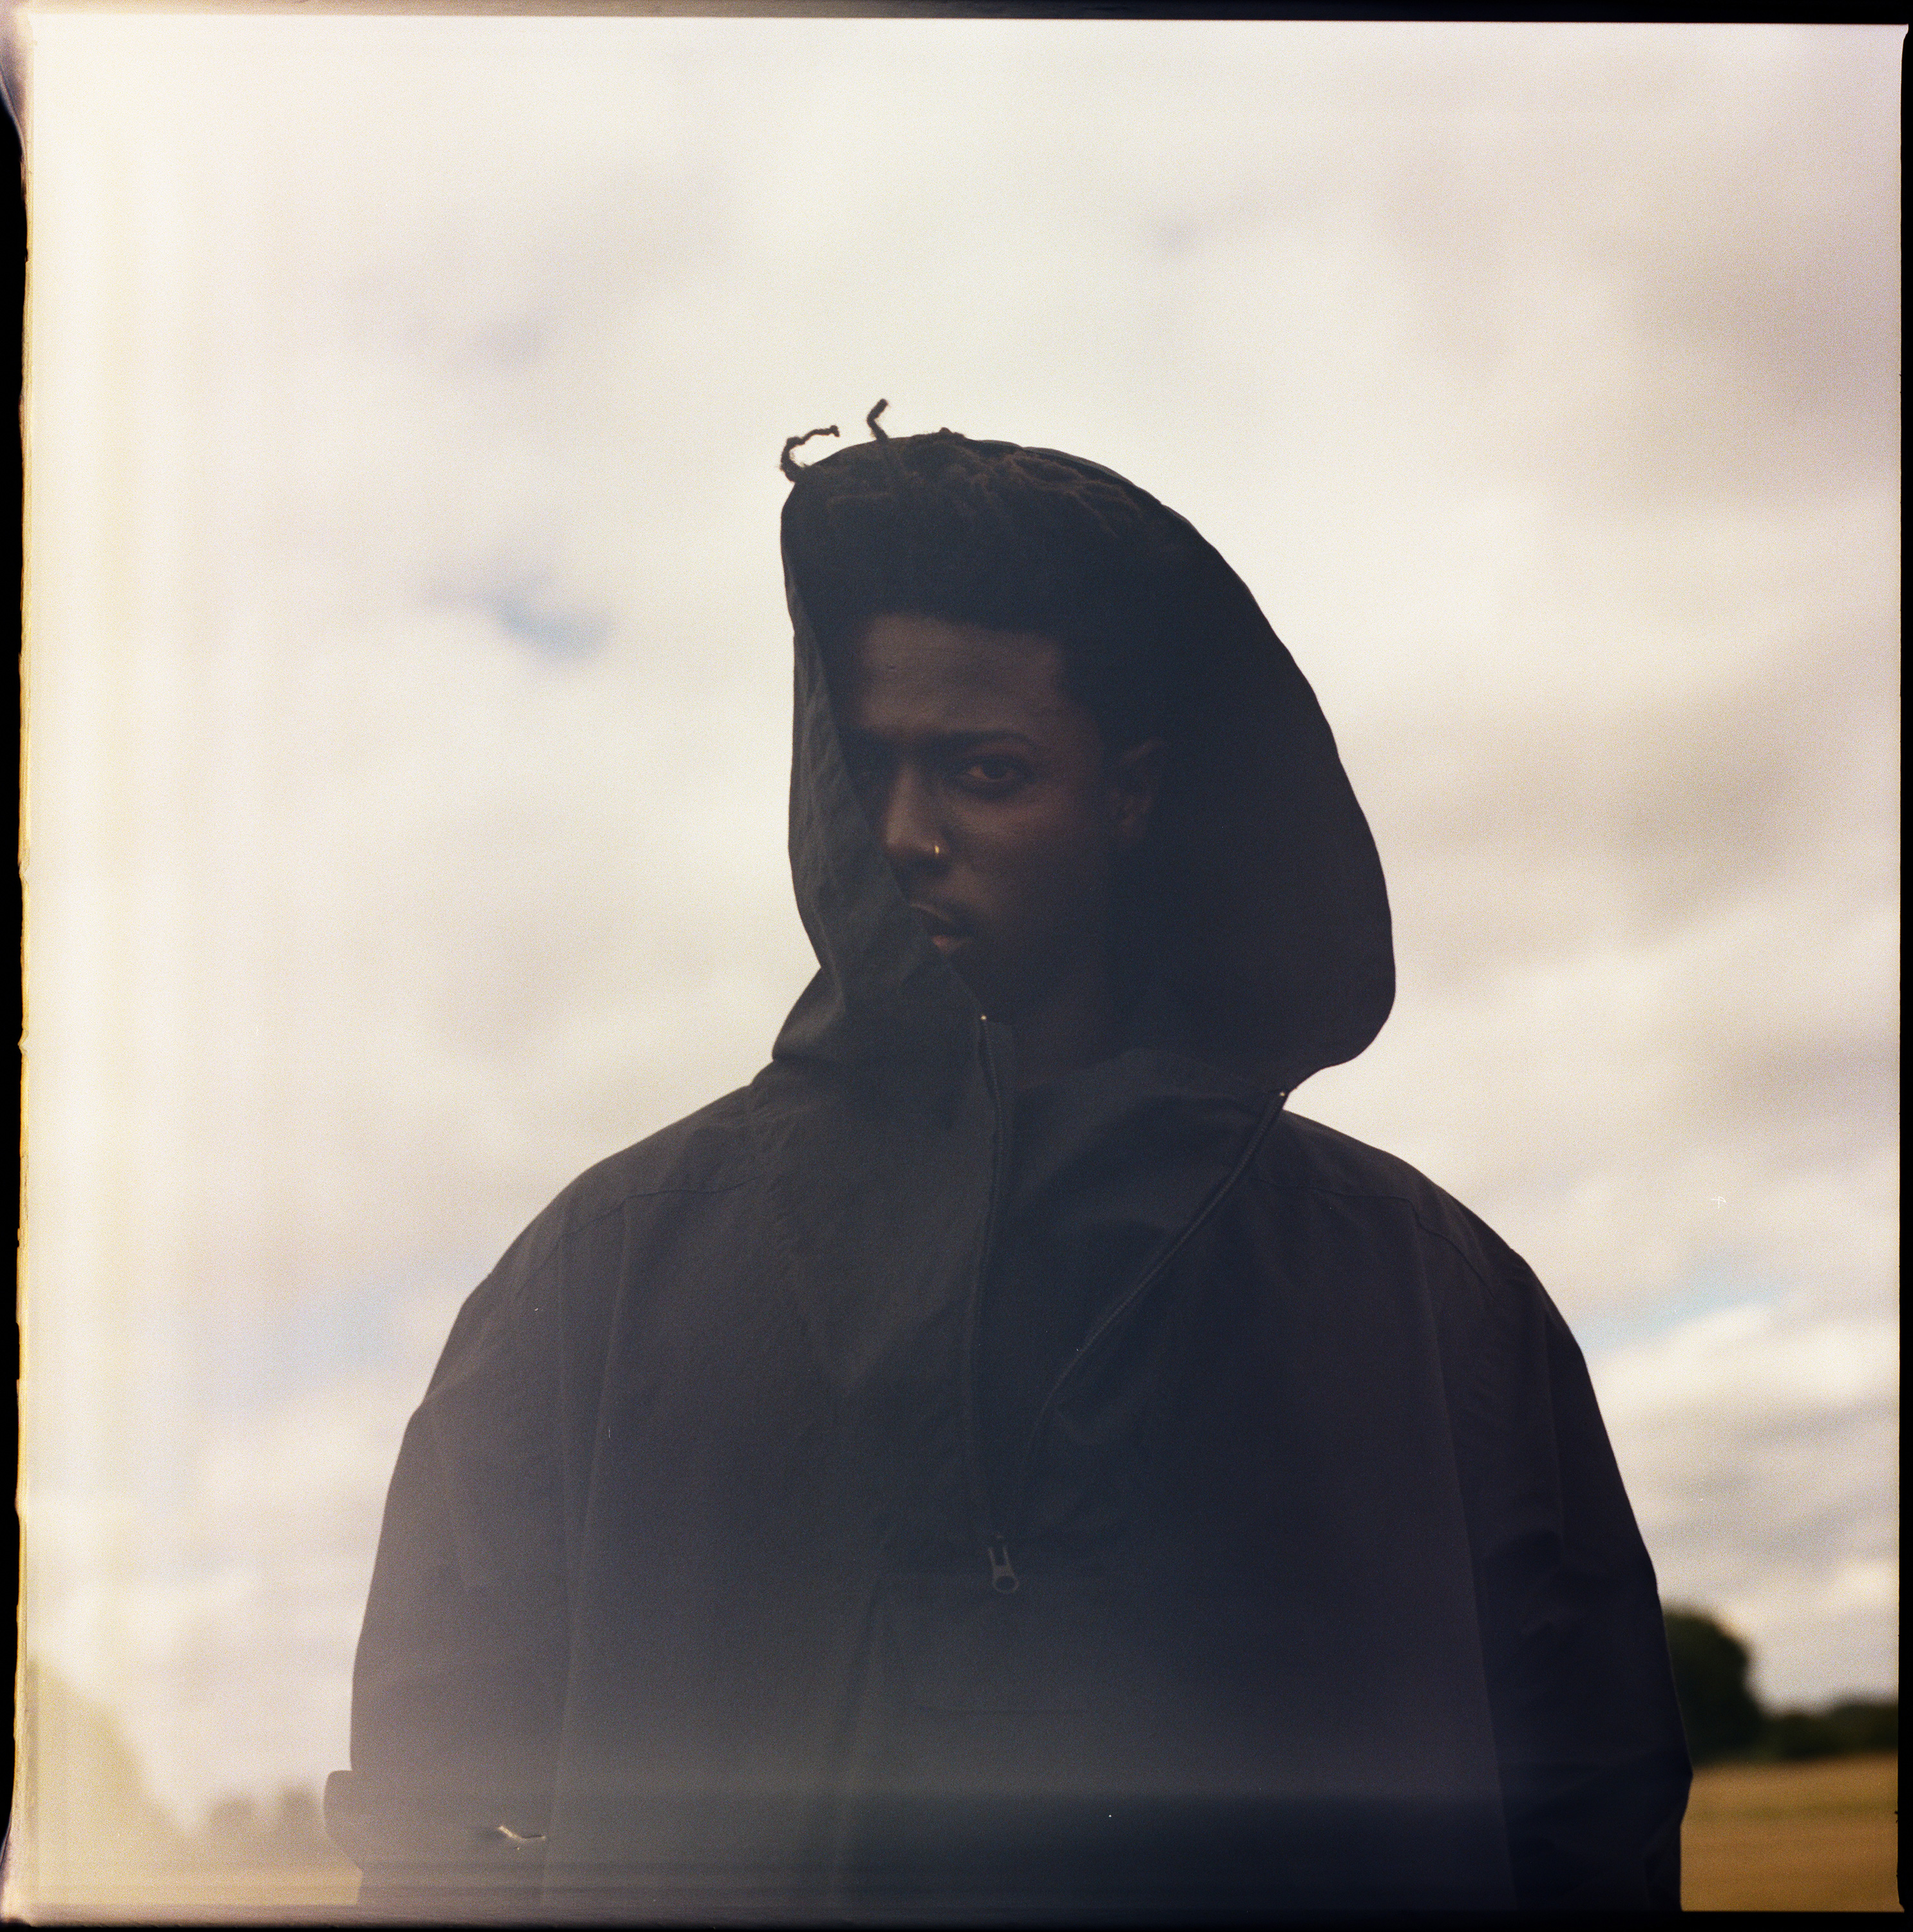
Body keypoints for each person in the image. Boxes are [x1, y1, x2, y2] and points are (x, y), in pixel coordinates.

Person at [324, 407, 1692, 1919]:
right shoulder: (592, 1289)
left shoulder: (1436, 1307)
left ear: (1131, 794)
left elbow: (1595, 1817)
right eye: (869, 768)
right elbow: (435, 1836)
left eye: (985, 769)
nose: (908, 832)